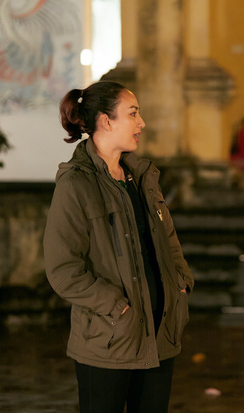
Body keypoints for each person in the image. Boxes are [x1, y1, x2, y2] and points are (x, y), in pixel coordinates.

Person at [43, 81, 194, 413]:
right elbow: (63, 269)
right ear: (106, 121)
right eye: (133, 114)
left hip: (160, 336)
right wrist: (116, 307)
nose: (141, 123)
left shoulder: (142, 177)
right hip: (107, 342)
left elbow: (169, 240)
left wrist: (180, 283)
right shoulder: (76, 183)